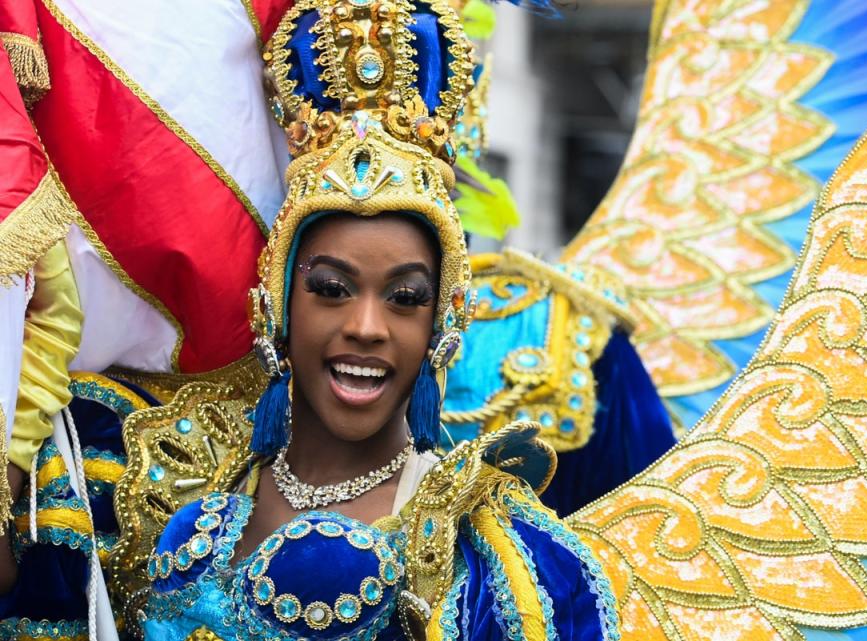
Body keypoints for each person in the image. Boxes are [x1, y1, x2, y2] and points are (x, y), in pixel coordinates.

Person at [134, 1, 620, 639]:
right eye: (332, 289)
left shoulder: (491, 560)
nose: (367, 325)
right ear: (277, 307)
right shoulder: (180, 499)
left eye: (406, 298)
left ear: (442, 324)